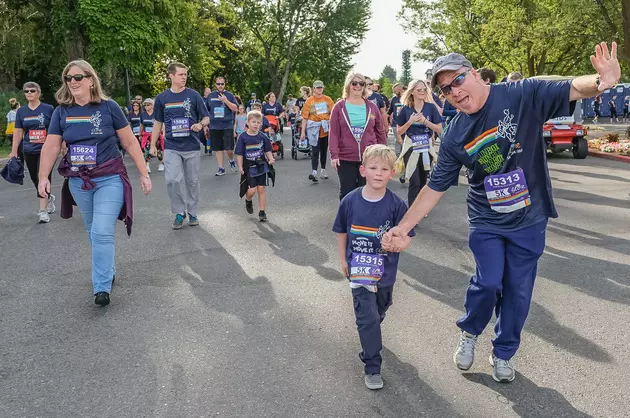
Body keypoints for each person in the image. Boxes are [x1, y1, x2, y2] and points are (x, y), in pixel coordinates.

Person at [383, 43, 621, 383]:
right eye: (446, 89)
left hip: (530, 216)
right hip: (487, 218)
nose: (454, 91)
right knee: (490, 281)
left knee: (518, 290)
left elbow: (570, 87)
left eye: (458, 80)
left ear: (476, 74)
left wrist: (602, 82)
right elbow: (435, 186)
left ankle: (503, 352)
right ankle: (469, 331)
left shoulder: (522, 94)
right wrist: (403, 229)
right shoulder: (454, 134)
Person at [37, 59, 152, 307]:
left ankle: (101, 287)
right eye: (69, 78)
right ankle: (108, 270)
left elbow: (130, 142)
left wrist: (144, 173)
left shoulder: (109, 108)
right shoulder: (61, 112)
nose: (73, 82)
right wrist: (43, 178)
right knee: (92, 230)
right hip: (80, 182)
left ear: (91, 80)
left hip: (109, 177)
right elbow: (51, 145)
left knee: (101, 230)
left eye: (78, 77)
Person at [332, 144, 414, 390]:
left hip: (385, 273)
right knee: (367, 319)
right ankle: (372, 366)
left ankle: (375, 326)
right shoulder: (350, 201)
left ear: (392, 173)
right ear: (363, 170)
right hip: (359, 273)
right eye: (373, 167)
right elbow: (341, 232)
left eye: (385, 169)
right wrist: (343, 260)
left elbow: (408, 236)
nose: (378, 173)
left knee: (379, 310)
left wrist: (399, 245)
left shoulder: (396, 205)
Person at [150, 62, 209, 229]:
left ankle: (193, 212)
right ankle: (179, 211)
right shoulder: (162, 98)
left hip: (191, 145)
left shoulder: (194, 96)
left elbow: (206, 117)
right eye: (181, 74)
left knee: (192, 181)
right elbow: (158, 122)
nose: (184, 77)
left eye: (185, 74)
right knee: (172, 180)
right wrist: (153, 145)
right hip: (172, 146)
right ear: (171, 76)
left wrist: (200, 124)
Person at [329, 72, 387, 200]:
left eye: (361, 83)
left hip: (369, 157)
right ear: (348, 85)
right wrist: (334, 154)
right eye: (354, 83)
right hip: (345, 157)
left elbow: (380, 131)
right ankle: (347, 218)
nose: (357, 86)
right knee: (347, 192)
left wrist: (383, 152)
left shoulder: (372, 107)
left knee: (366, 191)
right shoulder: (339, 107)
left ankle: (364, 218)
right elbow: (333, 132)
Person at [8, 82, 56, 223]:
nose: (29, 93)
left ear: (38, 92)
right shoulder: (21, 111)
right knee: (35, 178)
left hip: (46, 150)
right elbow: (18, 132)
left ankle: (43, 211)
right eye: (26, 91)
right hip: (29, 149)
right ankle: (48, 197)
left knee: (44, 177)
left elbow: (55, 129)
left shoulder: (48, 109)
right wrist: (13, 151)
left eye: (32, 90)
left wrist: (61, 145)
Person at [394, 79, 443, 208]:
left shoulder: (431, 107)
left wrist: (425, 122)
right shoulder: (405, 109)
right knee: (414, 181)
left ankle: (420, 208)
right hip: (411, 146)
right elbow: (399, 131)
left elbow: (439, 129)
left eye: (424, 89)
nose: (422, 91)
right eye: (419, 89)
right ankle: (412, 209)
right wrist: (410, 122)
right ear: (412, 92)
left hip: (426, 147)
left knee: (423, 181)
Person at [235, 110, 276, 222]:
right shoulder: (243, 137)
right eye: (253, 122)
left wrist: (271, 159)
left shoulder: (263, 137)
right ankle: (248, 200)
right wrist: (240, 166)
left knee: (261, 189)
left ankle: (262, 212)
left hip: (261, 165)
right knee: (252, 190)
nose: (256, 124)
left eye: (258, 122)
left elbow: (268, 150)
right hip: (249, 166)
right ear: (247, 122)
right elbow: (239, 153)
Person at [300, 80, 334, 182]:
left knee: (324, 151)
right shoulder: (309, 101)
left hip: (325, 129)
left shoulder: (328, 100)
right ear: (314, 89)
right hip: (313, 129)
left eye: (321, 87)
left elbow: (334, 114)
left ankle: (323, 170)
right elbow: (305, 117)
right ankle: (314, 172)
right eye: (317, 87)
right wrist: (302, 132)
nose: (319, 89)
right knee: (315, 150)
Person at [206, 76, 239, 176]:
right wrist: (206, 125)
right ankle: (221, 168)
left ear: (225, 84)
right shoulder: (211, 96)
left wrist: (226, 101)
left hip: (227, 125)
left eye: (222, 84)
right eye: (218, 84)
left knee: (229, 148)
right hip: (214, 126)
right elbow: (206, 111)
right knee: (218, 148)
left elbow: (236, 108)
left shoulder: (229, 95)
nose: (220, 86)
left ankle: (231, 160)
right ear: (215, 85)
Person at [140, 98, 164, 173]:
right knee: (147, 149)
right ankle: (147, 165)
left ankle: (161, 163)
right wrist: (140, 134)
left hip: (156, 134)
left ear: (152, 106)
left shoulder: (157, 113)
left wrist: (163, 132)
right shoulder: (143, 114)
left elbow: (161, 123)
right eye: (145, 105)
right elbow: (141, 125)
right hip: (147, 135)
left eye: (148, 105)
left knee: (158, 149)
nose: (146, 106)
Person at [388, 83, 405, 157]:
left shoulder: (408, 98)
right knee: (398, 140)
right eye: (394, 91)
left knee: (405, 140)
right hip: (395, 123)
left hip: (406, 123)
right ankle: (398, 155)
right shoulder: (394, 99)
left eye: (395, 91)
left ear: (400, 89)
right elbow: (390, 110)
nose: (394, 92)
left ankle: (404, 154)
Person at [6, 98, 22, 163]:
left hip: (10, 132)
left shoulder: (9, 113)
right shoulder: (16, 113)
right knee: (19, 147)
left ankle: (15, 160)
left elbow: (8, 123)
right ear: (17, 106)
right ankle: (18, 160)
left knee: (15, 147)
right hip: (16, 131)